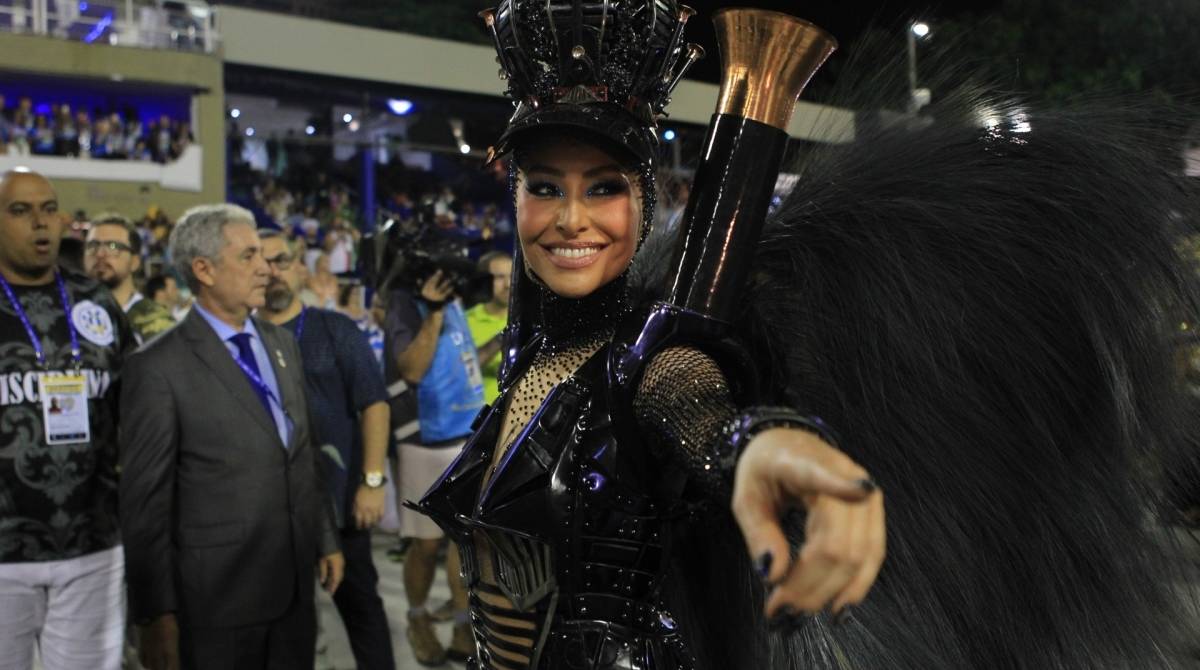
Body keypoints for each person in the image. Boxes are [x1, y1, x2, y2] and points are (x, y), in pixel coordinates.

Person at [412, 2, 1200, 669]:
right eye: (544, 187)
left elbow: (687, 389)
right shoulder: (534, 352)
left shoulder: (644, 363)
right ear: (512, 196)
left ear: (646, 205)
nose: (572, 217)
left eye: (605, 188)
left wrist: (762, 447)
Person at [119, 204, 344, 670]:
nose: (265, 267)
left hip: (294, 586)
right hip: (215, 602)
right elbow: (146, 505)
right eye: (248, 256)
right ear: (203, 269)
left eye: (262, 254)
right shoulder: (158, 366)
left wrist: (325, 537)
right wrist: (154, 614)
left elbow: (300, 453)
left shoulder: (280, 343)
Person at [0, 170, 134, 669]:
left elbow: (135, 405)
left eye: (49, 208)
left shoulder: (95, 301)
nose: (40, 222)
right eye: (20, 211)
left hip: (91, 544)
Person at [257, 229, 396, 670]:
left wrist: (372, 482)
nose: (271, 273)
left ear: (299, 267)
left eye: (280, 261)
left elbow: (373, 402)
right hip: (270, 510)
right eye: (261, 264)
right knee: (281, 623)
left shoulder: (333, 327)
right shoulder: (241, 340)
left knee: (363, 613)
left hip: (340, 505)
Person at [386, 268, 483, 664]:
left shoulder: (455, 301)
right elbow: (412, 369)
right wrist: (435, 311)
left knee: (463, 541)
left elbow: (463, 362)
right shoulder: (403, 306)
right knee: (425, 546)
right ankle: (417, 618)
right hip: (425, 439)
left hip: (467, 435)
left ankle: (463, 621)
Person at [84, 213, 174, 343]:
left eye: (113, 246)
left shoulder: (157, 324)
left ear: (135, 262)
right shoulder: (69, 314)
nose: (99, 254)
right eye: (93, 245)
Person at [464, 251, 511, 404]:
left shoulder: (530, 317)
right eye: (499, 277)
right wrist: (503, 337)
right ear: (483, 281)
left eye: (511, 276)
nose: (508, 284)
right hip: (480, 418)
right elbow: (459, 371)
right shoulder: (465, 321)